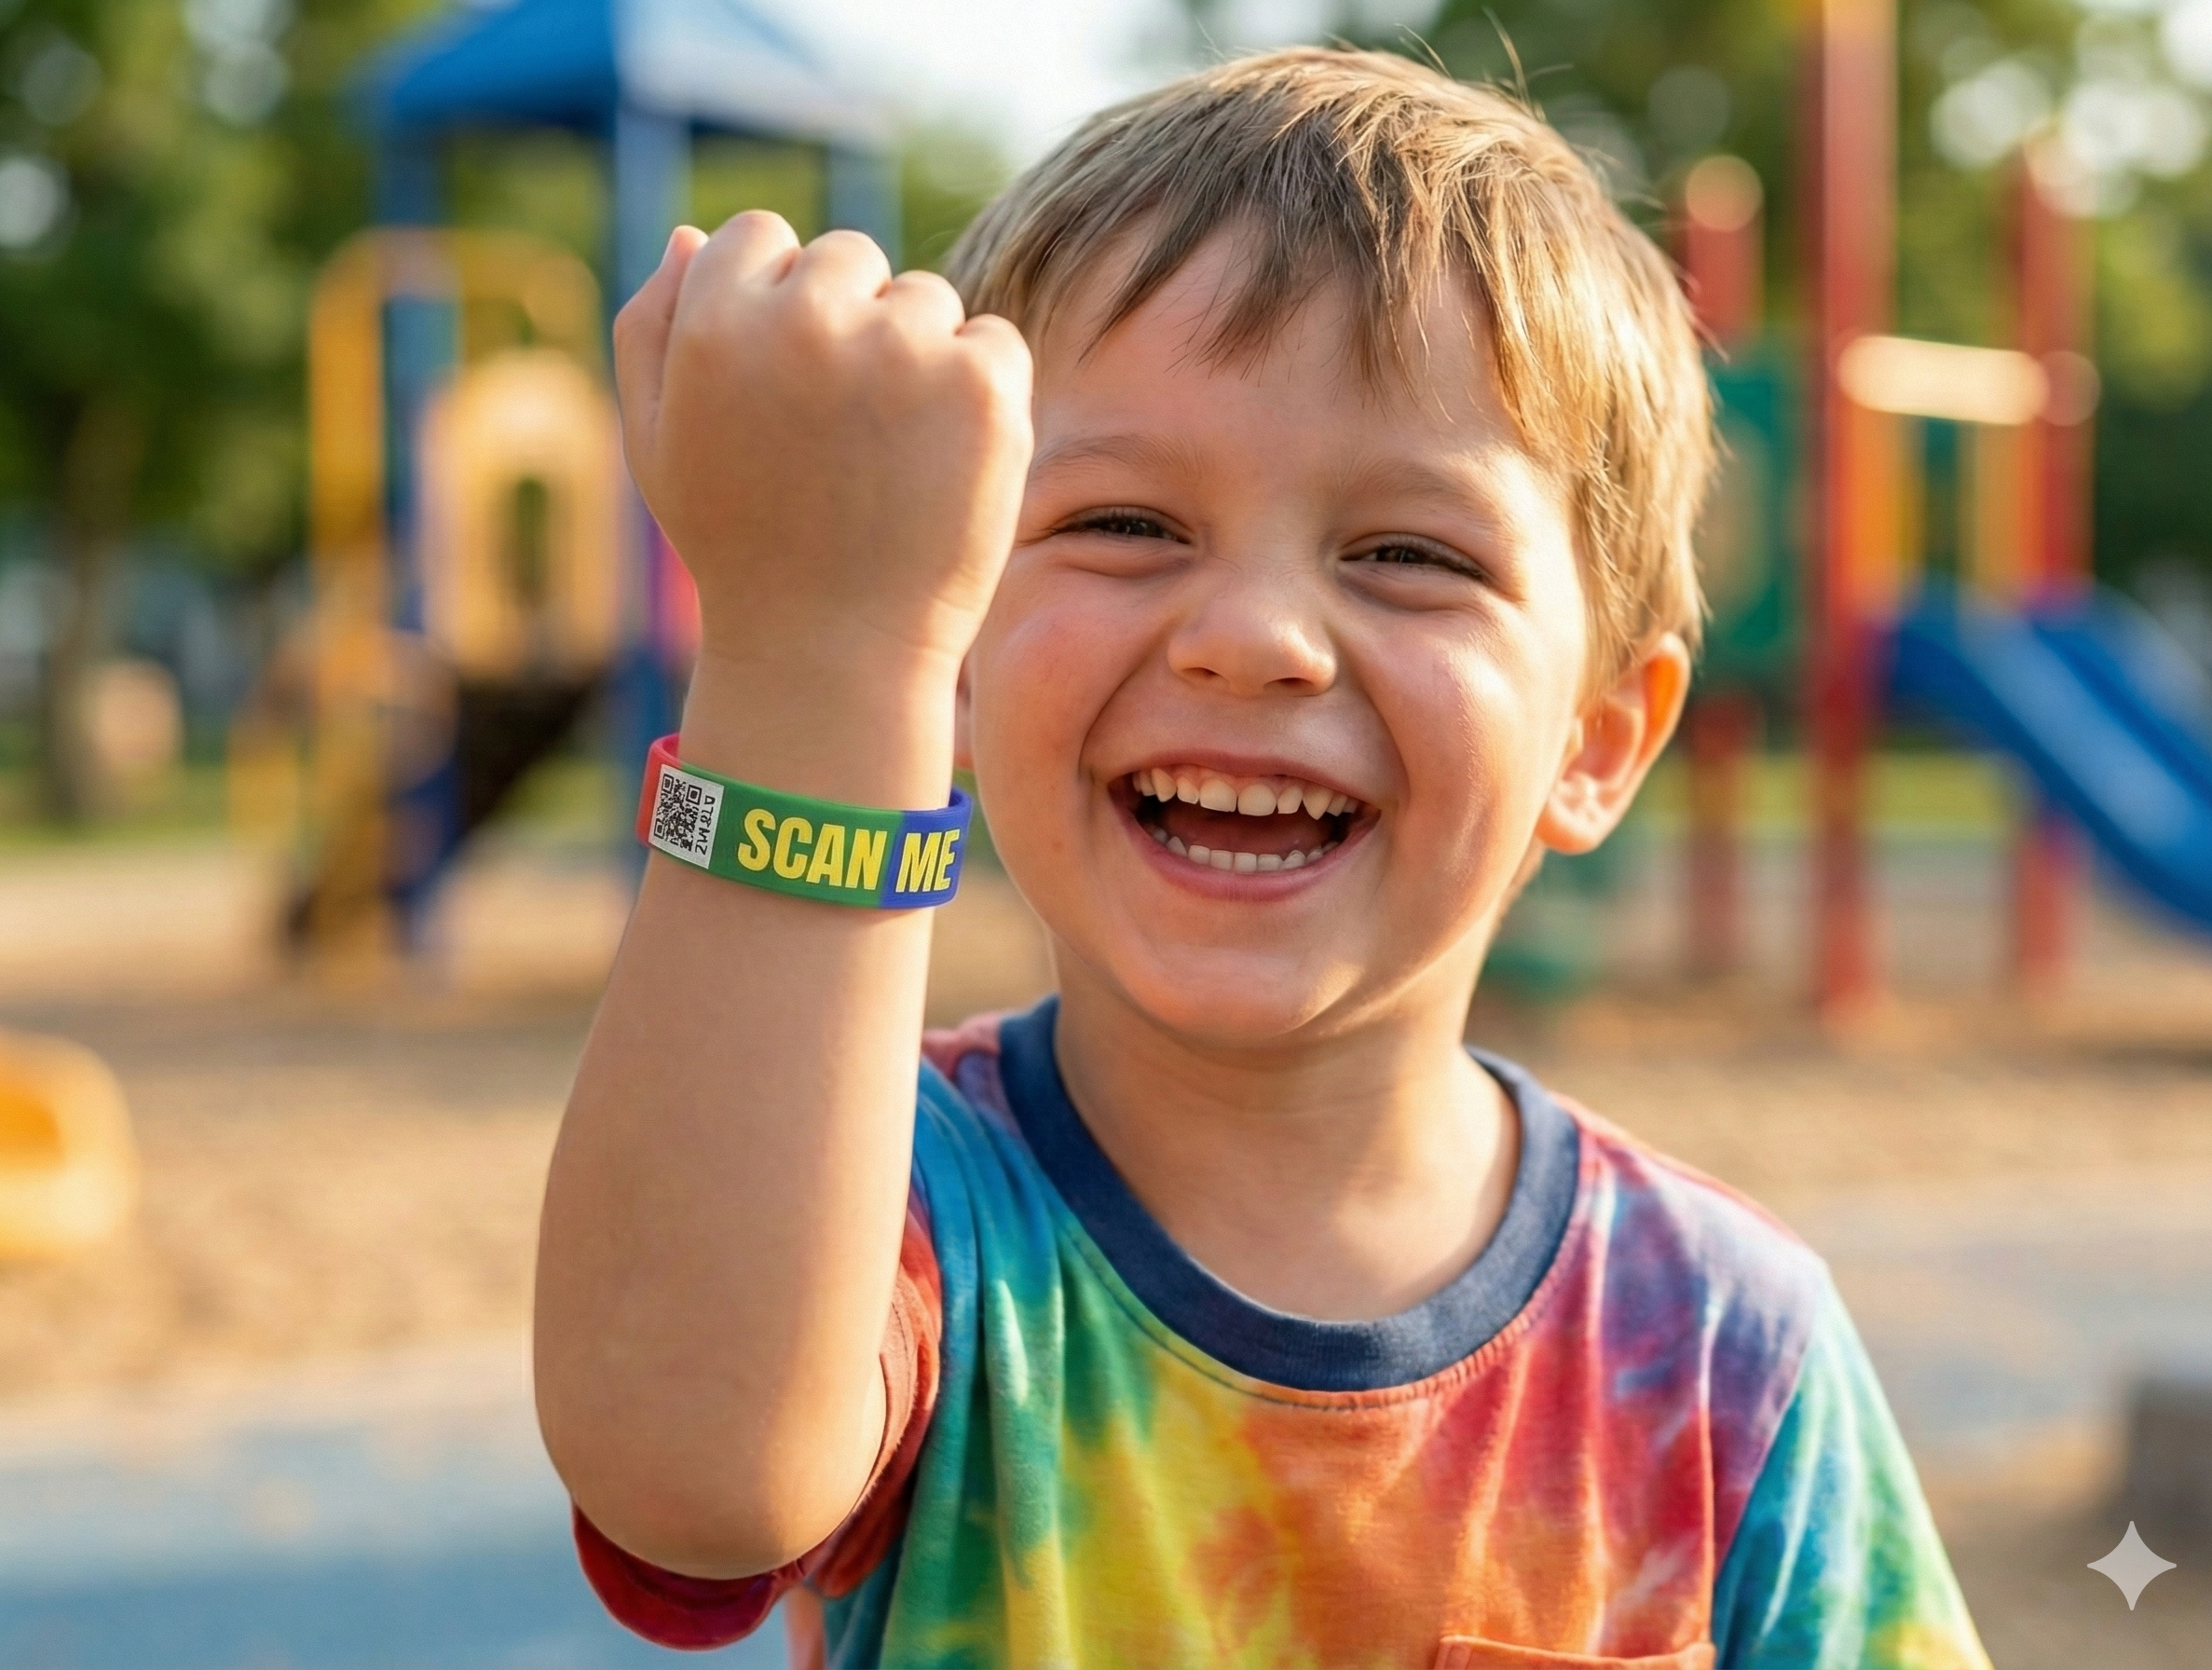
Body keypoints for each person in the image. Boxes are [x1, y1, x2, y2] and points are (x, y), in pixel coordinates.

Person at [534, 48, 1989, 1669]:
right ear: (954, 641)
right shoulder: (891, 1210)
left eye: (1410, 554)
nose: (1254, 640)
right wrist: (813, 654)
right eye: (1126, 524)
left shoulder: (1720, 1346)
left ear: (1597, 739)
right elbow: (688, 1473)